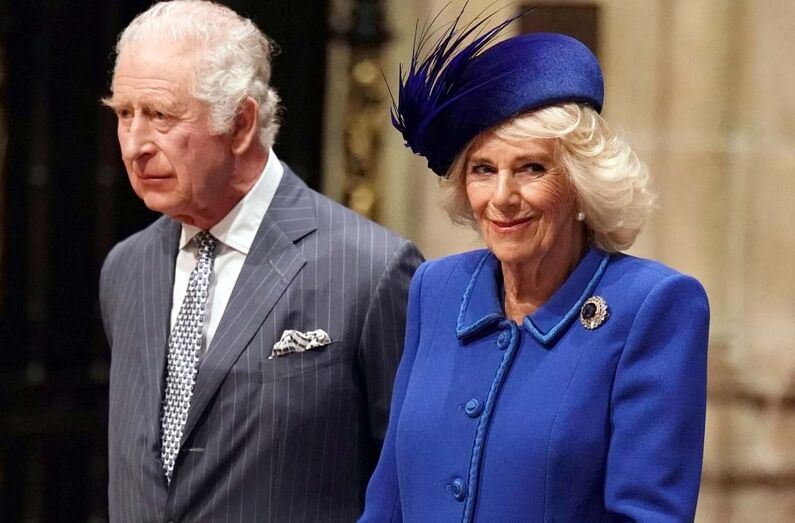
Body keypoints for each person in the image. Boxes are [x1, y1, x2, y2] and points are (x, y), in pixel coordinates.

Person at [360, 10, 709, 523]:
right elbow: (387, 499)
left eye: (531, 168)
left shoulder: (653, 306)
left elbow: (648, 515)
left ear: (582, 183)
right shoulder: (436, 288)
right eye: (483, 169)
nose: (502, 197)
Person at [98, 1, 422, 521]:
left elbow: (415, 486)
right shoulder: (126, 268)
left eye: (160, 115)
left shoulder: (371, 270)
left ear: (241, 124)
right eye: (123, 114)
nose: (134, 145)